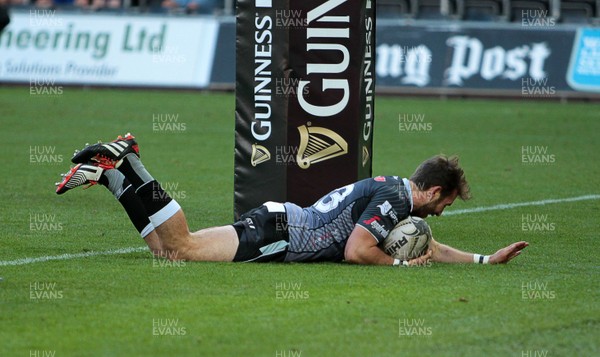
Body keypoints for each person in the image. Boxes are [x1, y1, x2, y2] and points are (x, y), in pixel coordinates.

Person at [56, 134, 528, 266]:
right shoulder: (392, 198)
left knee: (165, 252)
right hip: (281, 235)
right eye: (445, 204)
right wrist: (401, 266)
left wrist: (487, 260)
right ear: (433, 191)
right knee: (184, 247)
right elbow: (356, 251)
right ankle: (133, 164)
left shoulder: (395, 196)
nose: (441, 213)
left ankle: (114, 175)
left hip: (281, 224)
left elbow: (430, 245)